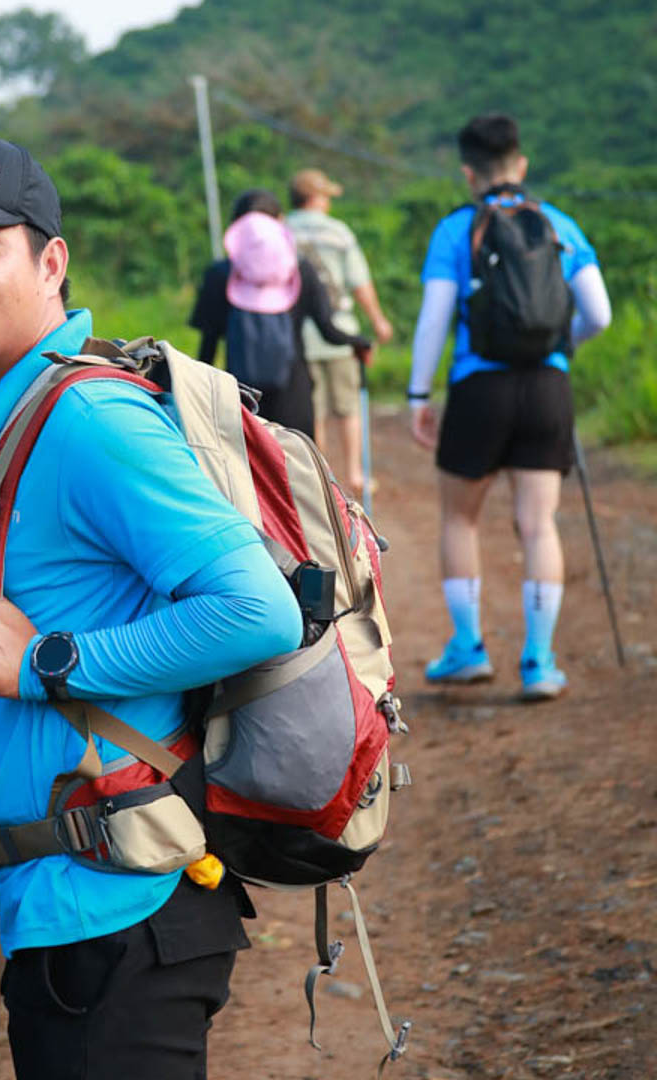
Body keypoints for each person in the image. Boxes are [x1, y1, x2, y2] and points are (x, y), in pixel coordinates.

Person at [0, 133, 304, 1079]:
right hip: (71, 901)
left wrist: (41, 661)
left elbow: (256, 610)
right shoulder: (4, 412)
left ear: (50, 262)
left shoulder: (86, 420)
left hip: (123, 910)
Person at [406, 113, 612, 700]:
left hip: (479, 390)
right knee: (537, 523)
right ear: (520, 164)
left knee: (459, 517)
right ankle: (540, 661)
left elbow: (434, 320)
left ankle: (468, 648)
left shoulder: (456, 229)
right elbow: (599, 313)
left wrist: (420, 396)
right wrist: (560, 346)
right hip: (548, 388)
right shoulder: (560, 225)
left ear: (469, 172)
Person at [189, 189, 370, 436]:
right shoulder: (301, 271)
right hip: (294, 394)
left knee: (246, 469)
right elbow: (329, 331)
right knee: (296, 468)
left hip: (241, 396)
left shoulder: (220, 274)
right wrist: (359, 343)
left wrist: (196, 393)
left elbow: (208, 347)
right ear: (280, 223)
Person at [286, 168, 393, 494]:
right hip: (340, 332)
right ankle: (355, 474)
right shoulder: (338, 232)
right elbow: (359, 282)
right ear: (316, 198)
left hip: (296, 335)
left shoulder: (280, 231)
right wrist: (377, 319)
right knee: (347, 407)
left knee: (311, 409)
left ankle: (318, 476)